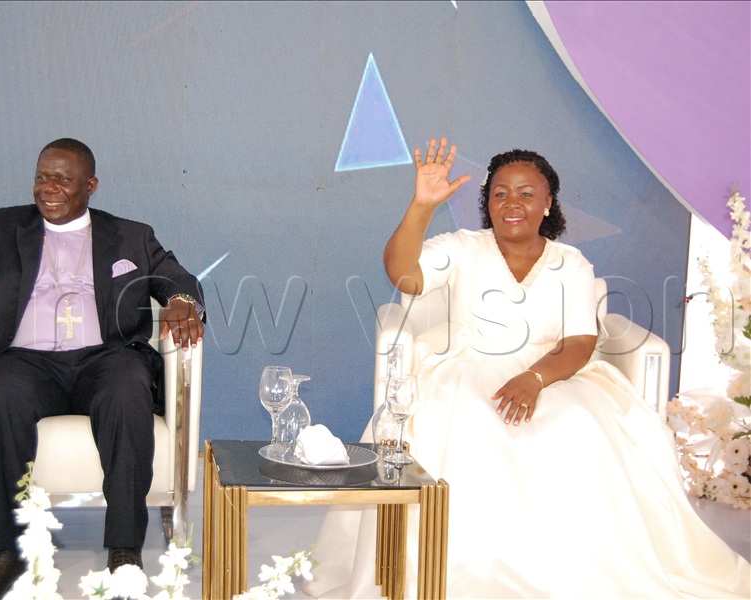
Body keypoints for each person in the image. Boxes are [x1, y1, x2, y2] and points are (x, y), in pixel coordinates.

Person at [304, 138, 750, 598]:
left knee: (577, 422)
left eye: (526, 193)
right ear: (487, 202)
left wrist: (534, 378)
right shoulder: (461, 247)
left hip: (553, 370)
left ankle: (568, 569)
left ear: (547, 203)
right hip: (466, 363)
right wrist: (421, 205)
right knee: (471, 419)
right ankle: (465, 569)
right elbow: (403, 274)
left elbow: (579, 341)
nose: (512, 203)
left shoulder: (570, 263)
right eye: (500, 193)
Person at [0, 139, 205, 600]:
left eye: (63, 180)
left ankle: (125, 549)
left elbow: (177, 279)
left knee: (130, 386)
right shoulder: (7, 226)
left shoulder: (130, 235)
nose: (48, 188)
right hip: (26, 362)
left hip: (105, 359)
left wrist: (182, 301)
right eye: (41, 177)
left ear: (90, 186)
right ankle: (6, 551)